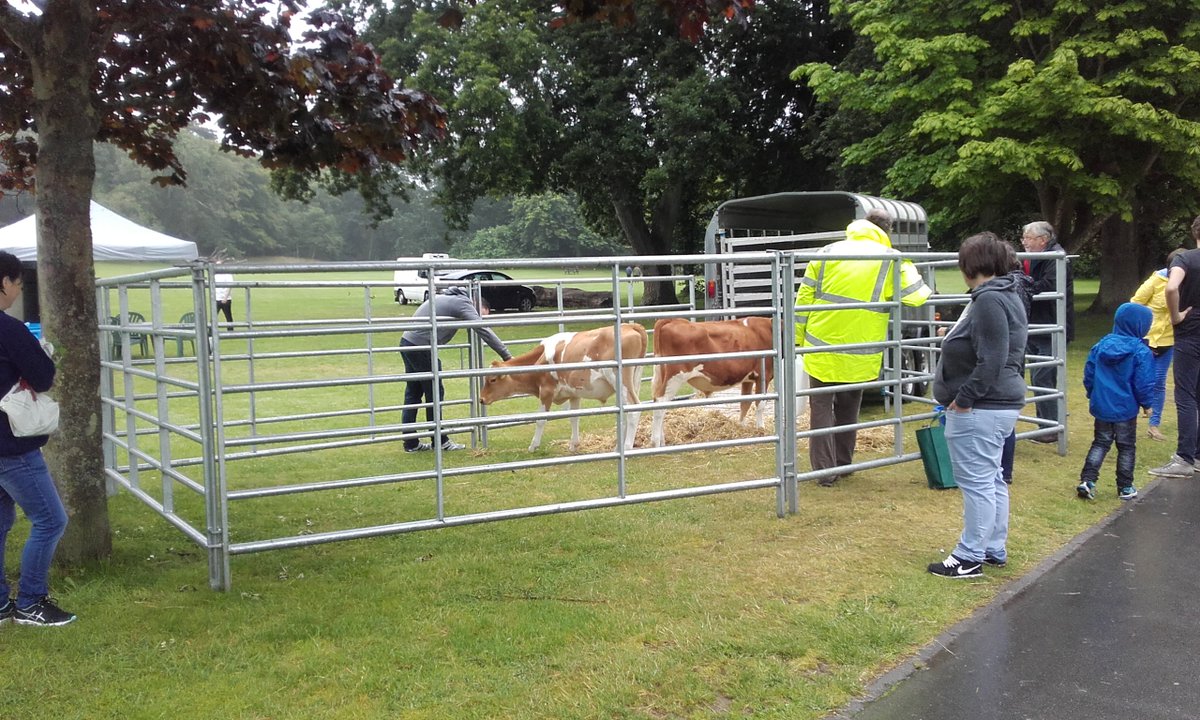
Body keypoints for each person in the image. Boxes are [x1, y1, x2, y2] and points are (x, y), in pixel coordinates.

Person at [796, 212, 932, 486]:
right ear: (886, 230)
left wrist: (799, 339)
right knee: (849, 409)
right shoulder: (889, 257)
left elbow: (804, 299)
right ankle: (844, 465)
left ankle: (824, 472)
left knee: (821, 409)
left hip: (821, 345)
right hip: (861, 350)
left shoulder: (826, 252)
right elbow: (917, 296)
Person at [928, 233, 1026, 579]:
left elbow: (993, 358)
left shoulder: (989, 300)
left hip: (982, 407)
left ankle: (969, 556)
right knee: (992, 479)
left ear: (971, 265)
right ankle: (992, 547)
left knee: (977, 483)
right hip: (996, 404)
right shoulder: (1004, 294)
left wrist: (964, 400)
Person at [0, 251, 76, 626]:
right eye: (15, 282)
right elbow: (44, 377)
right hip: (11, 446)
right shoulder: (9, 330)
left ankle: (1, 604)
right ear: (4, 283)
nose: (16, 290)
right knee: (50, 520)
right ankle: (30, 601)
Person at [400, 286, 512, 453]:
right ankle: (440, 440)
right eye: (482, 313)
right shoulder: (463, 303)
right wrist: (507, 356)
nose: (478, 316)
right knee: (435, 394)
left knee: (414, 393)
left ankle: (411, 442)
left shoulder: (446, 298)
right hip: (422, 347)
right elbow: (482, 329)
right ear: (478, 304)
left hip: (408, 342)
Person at [1077, 303, 1155, 501]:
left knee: (1100, 442)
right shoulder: (1140, 351)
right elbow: (1143, 382)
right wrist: (1147, 404)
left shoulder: (1101, 345)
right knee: (1126, 446)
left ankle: (1087, 480)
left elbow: (1089, 373)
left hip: (1102, 405)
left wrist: (1092, 393)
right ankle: (1125, 486)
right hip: (1126, 408)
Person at [1150, 216, 1200, 478]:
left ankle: (1184, 457)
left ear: (1194, 232)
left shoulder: (1186, 259)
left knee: (1185, 394)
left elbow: (1171, 287)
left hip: (1190, 332)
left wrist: (1176, 315)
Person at [1021, 221, 1074, 442]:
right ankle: (1046, 423)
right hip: (1036, 324)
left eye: (1029, 238)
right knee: (1037, 375)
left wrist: (1024, 285)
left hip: (1051, 325)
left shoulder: (1056, 257)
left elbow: (1049, 285)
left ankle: (1051, 428)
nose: (1024, 242)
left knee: (1044, 376)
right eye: (1024, 238)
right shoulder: (1037, 256)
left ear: (1043, 239)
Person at [1130, 249, 1186, 442]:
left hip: (1169, 341)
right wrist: (1149, 320)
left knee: (1159, 383)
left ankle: (1154, 425)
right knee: (1139, 380)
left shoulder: (1187, 281)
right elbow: (1134, 303)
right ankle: (1129, 420)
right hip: (1147, 341)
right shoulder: (1156, 280)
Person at [1000, 243, 1035, 484]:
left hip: (1007, 358)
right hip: (1012, 356)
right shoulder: (1016, 284)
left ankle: (1004, 470)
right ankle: (1004, 469)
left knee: (1003, 414)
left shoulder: (1012, 287)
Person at [214, 262, 234, 330]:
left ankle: (230, 331)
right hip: (217, 299)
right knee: (213, 316)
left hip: (226, 299)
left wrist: (225, 297)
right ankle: (211, 331)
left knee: (228, 316)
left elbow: (230, 286)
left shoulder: (227, 274)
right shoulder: (215, 275)